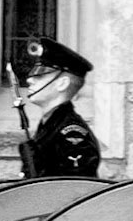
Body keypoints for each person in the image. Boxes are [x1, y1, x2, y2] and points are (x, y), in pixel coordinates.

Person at [12, 36, 102, 178]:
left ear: (62, 83)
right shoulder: (50, 124)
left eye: (40, 75)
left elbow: (71, 189)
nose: (30, 80)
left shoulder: (72, 134)